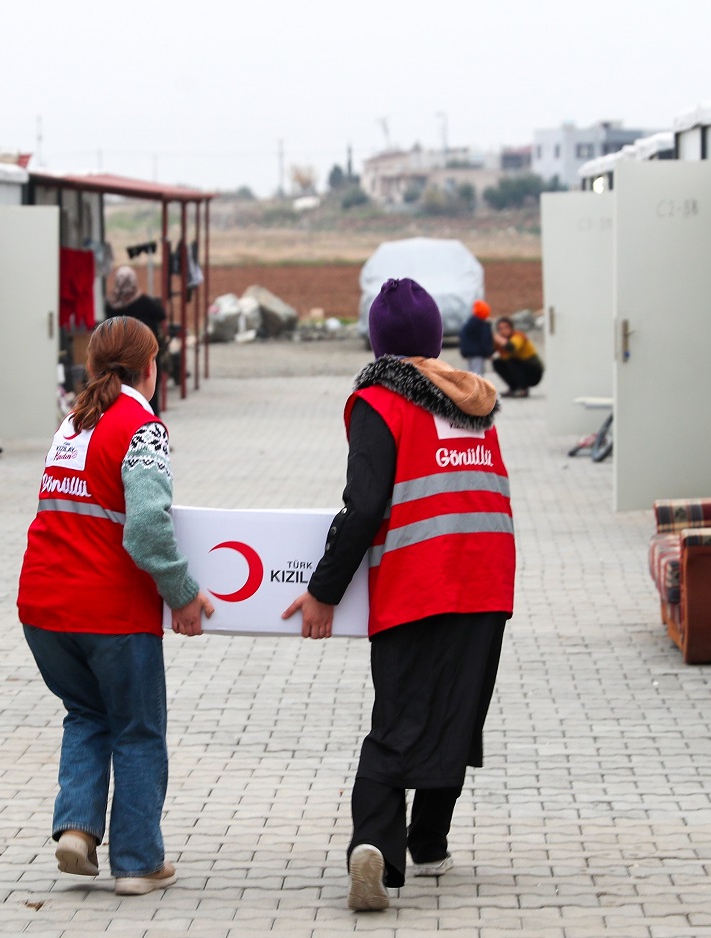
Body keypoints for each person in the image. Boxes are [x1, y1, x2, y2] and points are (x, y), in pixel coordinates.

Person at [281, 278, 515, 912]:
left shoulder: (379, 401)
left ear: (379, 342)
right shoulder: (473, 397)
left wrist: (322, 591)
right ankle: (431, 843)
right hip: (489, 579)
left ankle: (374, 849)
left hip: (420, 580)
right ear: (436, 337)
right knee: (459, 714)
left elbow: (362, 510)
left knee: (400, 722)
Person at [17, 315, 213, 896]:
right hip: (110, 615)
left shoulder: (71, 423)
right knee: (138, 730)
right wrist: (184, 594)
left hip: (43, 610)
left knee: (86, 713)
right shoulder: (142, 428)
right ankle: (136, 862)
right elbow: (148, 531)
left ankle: (77, 829)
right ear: (149, 369)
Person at [104, 266, 167, 415]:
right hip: (143, 353)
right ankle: (148, 419)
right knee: (148, 391)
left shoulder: (111, 304)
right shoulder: (143, 301)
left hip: (118, 356)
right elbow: (161, 314)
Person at [491, 316, 543, 398]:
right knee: (497, 362)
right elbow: (489, 351)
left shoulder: (518, 335)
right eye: (500, 329)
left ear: (511, 328)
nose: (503, 330)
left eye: (506, 327)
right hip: (520, 367)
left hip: (533, 371)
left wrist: (497, 338)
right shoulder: (500, 340)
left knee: (511, 360)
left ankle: (523, 389)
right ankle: (514, 387)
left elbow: (512, 347)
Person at [459, 299, 494, 377]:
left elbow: (463, 337)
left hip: (469, 353)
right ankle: (477, 388)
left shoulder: (469, 323)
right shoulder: (483, 325)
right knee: (478, 373)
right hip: (478, 353)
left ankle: (469, 387)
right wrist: (489, 352)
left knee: (470, 372)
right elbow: (485, 340)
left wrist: (464, 351)